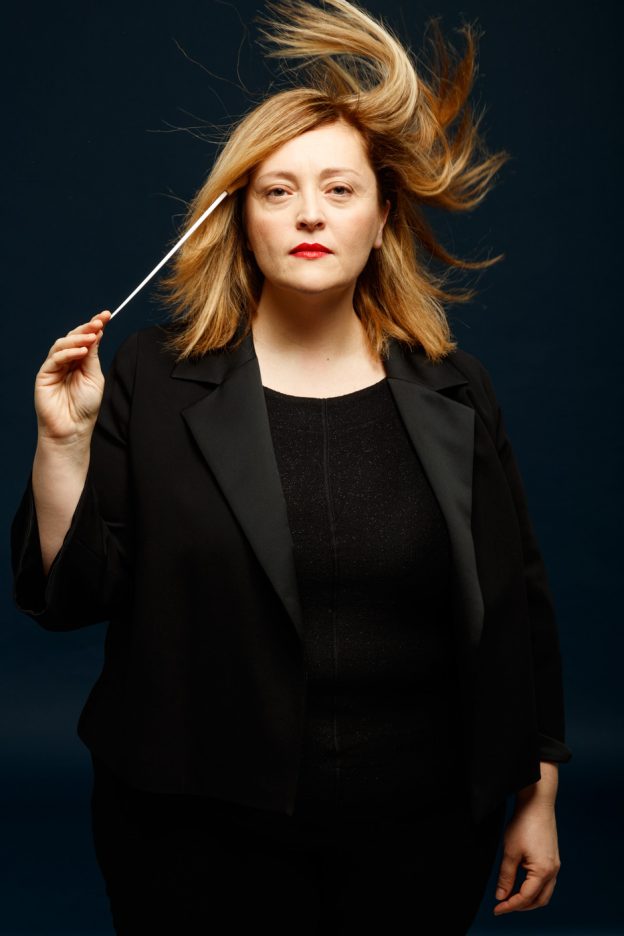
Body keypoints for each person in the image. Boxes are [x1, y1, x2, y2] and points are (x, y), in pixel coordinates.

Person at [10, 0, 572, 932]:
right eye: (277, 192)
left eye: (340, 190)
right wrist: (63, 444)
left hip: (422, 832)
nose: (310, 212)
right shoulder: (152, 377)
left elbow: (520, 603)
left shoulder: (455, 387)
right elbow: (72, 600)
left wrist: (537, 790)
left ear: (382, 218)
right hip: (194, 833)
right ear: (242, 221)